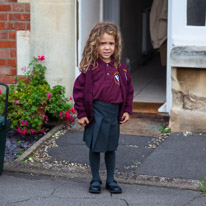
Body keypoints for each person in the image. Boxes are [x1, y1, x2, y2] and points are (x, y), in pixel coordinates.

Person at [73, 22, 134, 194]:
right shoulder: (90, 69)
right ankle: (95, 179)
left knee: (110, 148)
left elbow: (129, 91)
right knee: (95, 148)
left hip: (113, 114)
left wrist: (127, 110)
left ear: (116, 45)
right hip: (96, 114)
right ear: (95, 45)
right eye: (102, 43)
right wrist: (82, 113)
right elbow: (78, 91)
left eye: (111, 43)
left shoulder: (121, 69)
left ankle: (111, 180)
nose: (107, 47)